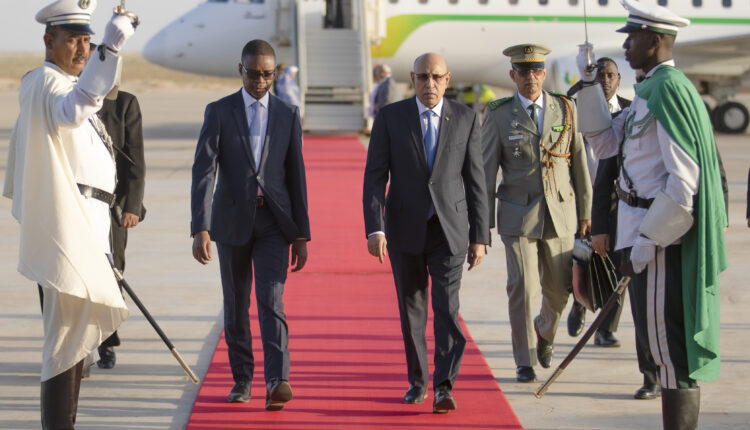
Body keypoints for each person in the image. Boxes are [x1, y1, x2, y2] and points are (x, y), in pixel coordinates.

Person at [575, 0, 728, 427]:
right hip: (639, 232)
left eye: (633, 37)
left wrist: (647, 240)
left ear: (656, 41)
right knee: (656, 347)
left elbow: (683, 183)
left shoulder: (668, 90)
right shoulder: (648, 90)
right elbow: (605, 144)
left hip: (659, 241)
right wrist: (588, 86)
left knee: (666, 349)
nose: (625, 45)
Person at [4, 0, 136, 427]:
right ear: (49, 41)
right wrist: (110, 50)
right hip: (70, 223)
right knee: (65, 338)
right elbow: (74, 109)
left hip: (90, 224)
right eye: (73, 40)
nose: (83, 49)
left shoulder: (65, 83)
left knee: (76, 339)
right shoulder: (46, 82)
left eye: (88, 41)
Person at [363, 53, 489, 414]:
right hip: (404, 229)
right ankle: (417, 381)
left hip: (449, 230)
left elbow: (476, 181)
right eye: (422, 77)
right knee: (412, 310)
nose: (429, 84)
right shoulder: (391, 117)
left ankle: (444, 386)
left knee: (447, 309)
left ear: (447, 79)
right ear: (412, 79)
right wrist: (375, 228)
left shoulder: (465, 118)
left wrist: (479, 236)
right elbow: (375, 177)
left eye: (436, 77)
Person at [191, 39, 310, 411]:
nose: (260, 81)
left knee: (271, 299)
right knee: (236, 303)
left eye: (267, 74)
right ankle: (242, 378)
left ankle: (277, 380)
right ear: (240, 70)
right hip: (231, 222)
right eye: (254, 73)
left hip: (274, 222)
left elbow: (297, 177)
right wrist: (200, 227)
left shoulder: (288, 114)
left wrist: (301, 234)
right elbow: (204, 171)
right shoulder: (219, 111)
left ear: (275, 73)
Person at [482, 44, 592, 384]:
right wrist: (482, 226)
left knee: (559, 289)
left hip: (561, 212)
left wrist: (586, 212)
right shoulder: (499, 114)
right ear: (512, 75)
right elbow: (486, 172)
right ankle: (525, 359)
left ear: (544, 74)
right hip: (518, 215)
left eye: (536, 71)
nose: (530, 77)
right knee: (522, 286)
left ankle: (545, 330)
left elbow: (579, 163)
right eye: (523, 72)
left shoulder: (566, 108)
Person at [569, 60, 663, 400]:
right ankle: (650, 375)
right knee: (636, 300)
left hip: (669, 222)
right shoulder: (629, 116)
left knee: (663, 306)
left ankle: (673, 372)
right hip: (627, 220)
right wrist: (600, 226)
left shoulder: (672, 108)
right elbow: (604, 169)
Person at [566, 57, 632, 348]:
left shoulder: (630, 111)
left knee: (618, 268)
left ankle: (606, 329)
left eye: (610, 75)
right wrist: (584, 83)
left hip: (616, 202)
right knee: (581, 261)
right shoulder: (575, 108)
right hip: (580, 200)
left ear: (618, 79)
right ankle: (580, 302)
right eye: (600, 75)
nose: (605, 80)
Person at [95, 49, 147, 370]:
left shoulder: (125, 104)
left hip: (113, 208)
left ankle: (107, 342)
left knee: (113, 272)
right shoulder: (75, 102)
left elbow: (136, 160)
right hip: (79, 205)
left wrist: (132, 206)